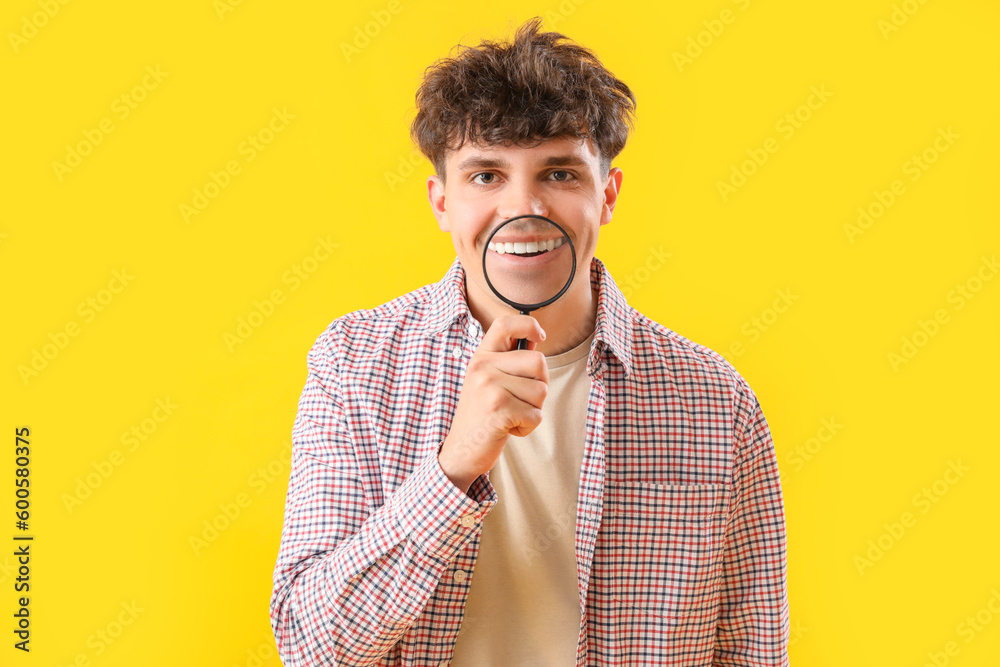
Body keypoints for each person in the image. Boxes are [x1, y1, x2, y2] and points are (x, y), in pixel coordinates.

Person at [270, 18, 788, 666]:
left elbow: (752, 651)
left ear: (607, 194)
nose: (526, 208)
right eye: (486, 176)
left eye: (560, 174)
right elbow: (312, 646)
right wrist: (454, 466)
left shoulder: (716, 402)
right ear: (441, 202)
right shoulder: (355, 365)